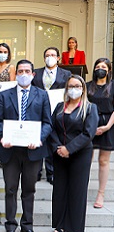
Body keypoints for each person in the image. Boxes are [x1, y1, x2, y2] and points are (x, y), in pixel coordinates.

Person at [0, 59, 52, 232]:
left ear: (33, 74)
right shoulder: (4, 95)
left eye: (27, 71)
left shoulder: (42, 95)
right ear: (16, 74)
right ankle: (10, 226)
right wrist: (3, 136)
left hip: (32, 151)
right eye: (20, 71)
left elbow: (47, 123)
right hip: (11, 151)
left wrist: (39, 139)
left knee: (29, 190)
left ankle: (27, 226)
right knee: (10, 189)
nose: (24, 74)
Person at [48, 75, 98, 232]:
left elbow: (88, 133)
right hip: (59, 154)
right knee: (60, 189)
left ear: (83, 89)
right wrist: (58, 148)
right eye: (71, 86)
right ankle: (59, 224)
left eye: (77, 86)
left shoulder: (90, 108)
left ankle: (73, 227)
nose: (73, 89)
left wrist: (69, 149)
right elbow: (52, 128)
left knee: (77, 190)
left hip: (80, 154)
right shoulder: (59, 106)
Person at [32, 47, 72, 184]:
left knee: (52, 141)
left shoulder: (66, 74)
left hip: (57, 111)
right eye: (47, 55)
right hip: (38, 111)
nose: (50, 57)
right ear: (44, 58)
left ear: (58, 58)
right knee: (38, 140)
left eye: (53, 55)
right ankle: (36, 171)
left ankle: (51, 172)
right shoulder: (36, 73)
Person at [86, 58, 114, 209]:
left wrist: (107, 126)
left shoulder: (112, 86)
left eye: (103, 66)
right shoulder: (88, 86)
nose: (100, 69)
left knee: (103, 161)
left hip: (108, 124)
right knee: (86, 159)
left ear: (109, 70)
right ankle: (81, 190)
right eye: (97, 66)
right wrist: (90, 127)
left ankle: (101, 193)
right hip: (90, 124)